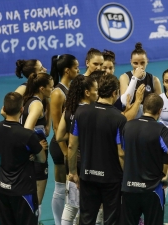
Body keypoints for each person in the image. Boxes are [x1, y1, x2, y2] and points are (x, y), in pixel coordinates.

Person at [68, 74, 127, 225]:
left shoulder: (81, 113)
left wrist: (73, 172)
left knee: (86, 219)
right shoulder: (119, 118)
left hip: (87, 176)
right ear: (115, 93)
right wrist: (126, 176)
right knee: (111, 220)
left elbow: (72, 145)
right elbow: (121, 153)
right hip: (112, 180)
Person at [121, 93, 168, 225]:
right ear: (159, 111)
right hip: (152, 190)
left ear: (144, 107)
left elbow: (122, 153)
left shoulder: (127, 126)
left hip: (129, 189)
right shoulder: (160, 130)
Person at [0, 92, 46, 225]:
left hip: (3, 187)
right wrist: (33, 153)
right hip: (23, 191)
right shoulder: (27, 136)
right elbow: (42, 158)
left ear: (4, 109)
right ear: (22, 109)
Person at [55, 75, 98, 225]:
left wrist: (75, 136)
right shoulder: (91, 111)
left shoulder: (69, 109)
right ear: (87, 92)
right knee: (91, 206)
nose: (97, 93)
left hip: (72, 163)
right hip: (88, 164)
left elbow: (59, 135)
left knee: (71, 204)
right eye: (96, 90)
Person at [49, 54, 80, 225]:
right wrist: (65, 152)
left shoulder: (71, 90)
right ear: (67, 70)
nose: (78, 69)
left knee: (72, 190)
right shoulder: (57, 93)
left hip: (71, 146)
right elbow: (55, 127)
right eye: (76, 67)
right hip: (61, 147)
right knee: (61, 189)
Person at [20, 72, 54, 223]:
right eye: (51, 88)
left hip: (31, 156)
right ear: (42, 88)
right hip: (38, 157)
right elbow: (27, 130)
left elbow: (46, 131)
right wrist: (35, 147)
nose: (52, 90)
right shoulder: (37, 104)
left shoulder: (30, 101)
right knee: (37, 201)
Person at [119, 42, 161, 119]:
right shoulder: (124, 77)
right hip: (130, 121)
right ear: (130, 62)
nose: (139, 66)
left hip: (147, 121)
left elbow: (159, 106)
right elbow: (125, 101)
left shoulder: (154, 80)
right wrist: (134, 78)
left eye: (142, 63)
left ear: (147, 61)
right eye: (135, 63)